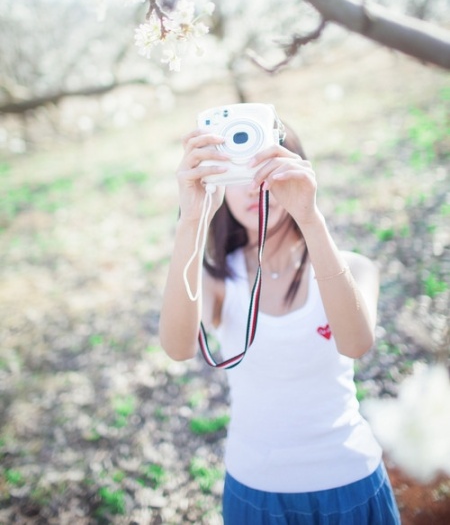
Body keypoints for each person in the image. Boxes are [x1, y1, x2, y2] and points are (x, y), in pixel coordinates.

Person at [159, 114, 401, 524]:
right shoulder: (217, 280)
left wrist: (310, 217)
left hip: (350, 477)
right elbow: (177, 348)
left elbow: (356, 343)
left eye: (266, 165)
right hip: (256, 489)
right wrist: (191, 220)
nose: (254, 185)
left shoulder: (354, 268)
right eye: (239, 169)